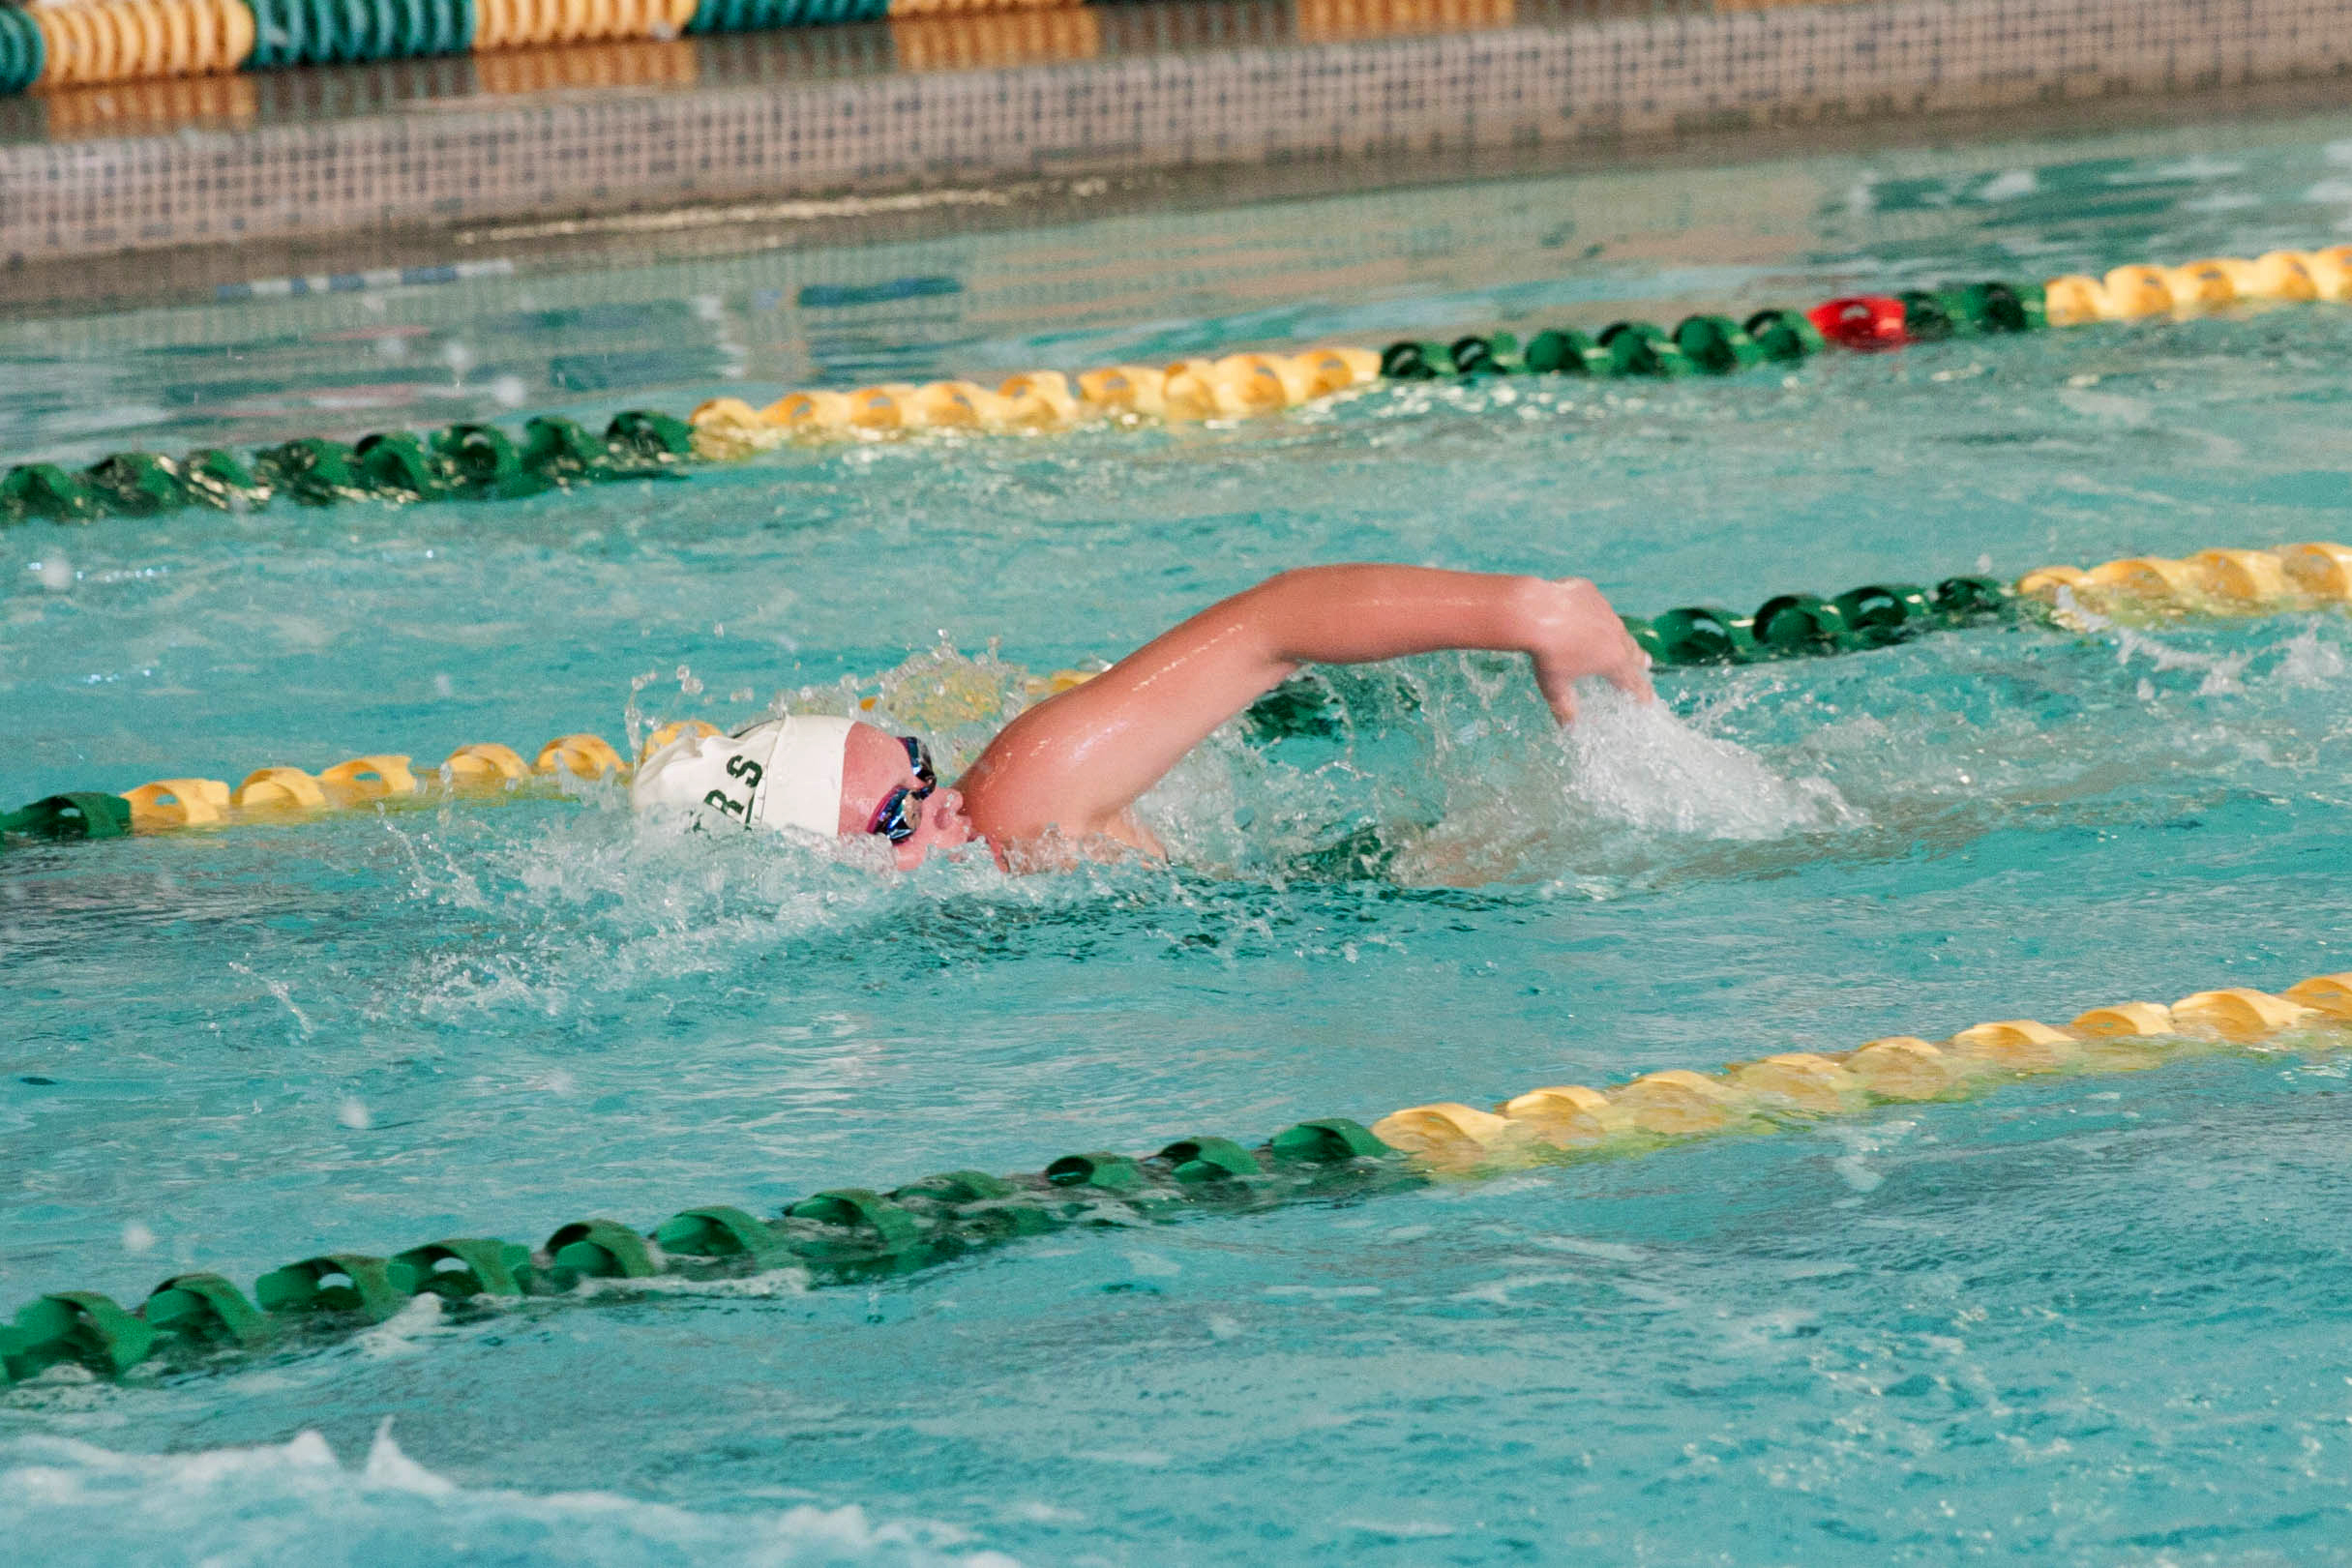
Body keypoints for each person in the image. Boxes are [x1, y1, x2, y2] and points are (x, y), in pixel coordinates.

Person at [632, 565, 1654, 871]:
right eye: (897, 819)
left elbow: (1272, 627)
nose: (943, 808)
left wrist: (1524, 610)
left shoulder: (1017, 799)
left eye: (920, 766)